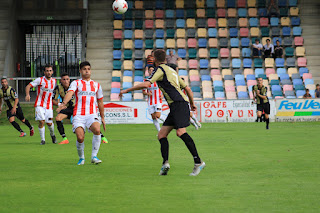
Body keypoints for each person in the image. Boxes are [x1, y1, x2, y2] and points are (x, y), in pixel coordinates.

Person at [119, 49, 205, 176]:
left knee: (180, 132)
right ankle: (165, 164)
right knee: (161, 135)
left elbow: (147, 84)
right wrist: (191, 103)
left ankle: (198, 162)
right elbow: (187, 88)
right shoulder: (172, 71)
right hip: (178, 104)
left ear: (154, 59)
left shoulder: (160, 70)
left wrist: (127, 90)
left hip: (178, 104)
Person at [57, 61, 106, 165]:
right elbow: (70, 93)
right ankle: (81, 158)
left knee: (97, 130)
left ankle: (94, 156)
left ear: (90, 70)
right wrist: (64, 103)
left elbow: (100, 102)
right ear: (80, 71)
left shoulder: (96, 85)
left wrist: (103, 117)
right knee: (80, 137)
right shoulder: (76, 83)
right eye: (84, 69)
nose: (87, 71)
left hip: (92, 114)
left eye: (88, 69)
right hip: (79, 114)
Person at [52, 73, 108, 144]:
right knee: (58, 118)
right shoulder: (58, 88)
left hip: (78, 108)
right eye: (64, 79)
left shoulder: (75, 85)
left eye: (67, 79)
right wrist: (60, 104)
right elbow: (53, 99)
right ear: (61, 81)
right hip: (68, 108)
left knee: (91, 125)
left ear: (69, 80)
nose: (66, 81)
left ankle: (102, 137)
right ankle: (65, 138)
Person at [25, 65, 57, 145]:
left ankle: (52, 135)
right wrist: (27, 94)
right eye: (47, 71)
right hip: (40, 105)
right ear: (44, 72)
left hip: (49, 106)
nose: (48, 72)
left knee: (49, 123)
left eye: (50, 70)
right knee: (42, 122)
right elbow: (28, 86)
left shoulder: (54, 81)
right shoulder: (40, 80)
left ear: (52, 72)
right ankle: (43, 140)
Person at [142, 66, 166, 132]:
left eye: (153, 70)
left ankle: (168, 123)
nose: (152, 71)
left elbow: (164, 89)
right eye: (150, 70)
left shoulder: (158, 80)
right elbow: (143, 92)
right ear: (148, 71)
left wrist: (162, 95)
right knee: (153, 117)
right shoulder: (145, 81)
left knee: (158, 115)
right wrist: (147, 94)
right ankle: (159, 131)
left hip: (158, 101)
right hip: (150, 102)